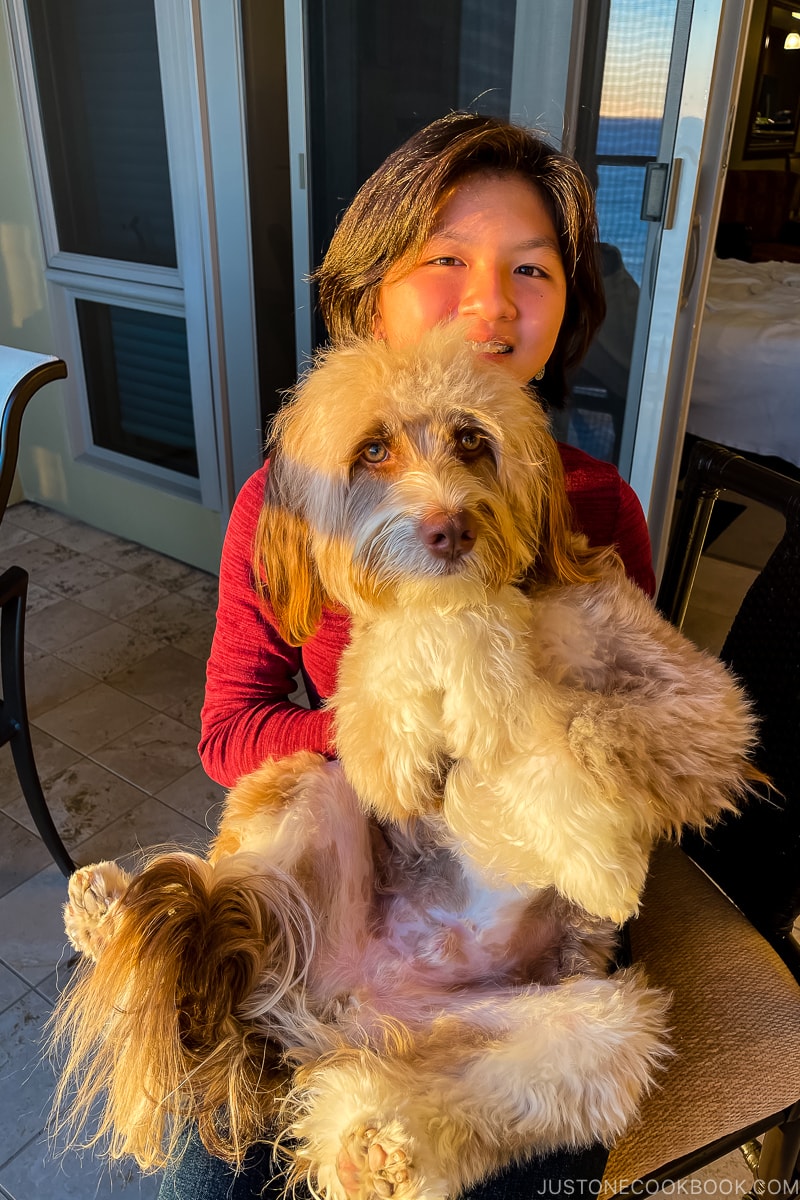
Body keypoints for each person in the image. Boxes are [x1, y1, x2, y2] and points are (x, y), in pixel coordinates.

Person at [158, 111, 655, 1200]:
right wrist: (384, 738)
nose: (490, 302)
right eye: (446, 261)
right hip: (334, 904)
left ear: (564, 310)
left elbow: (619, 738)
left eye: (530, 269)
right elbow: (230, 731)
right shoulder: (290, 497)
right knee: (211, 1173)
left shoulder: (593, 508)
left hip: (510, 922)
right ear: (369, 294)